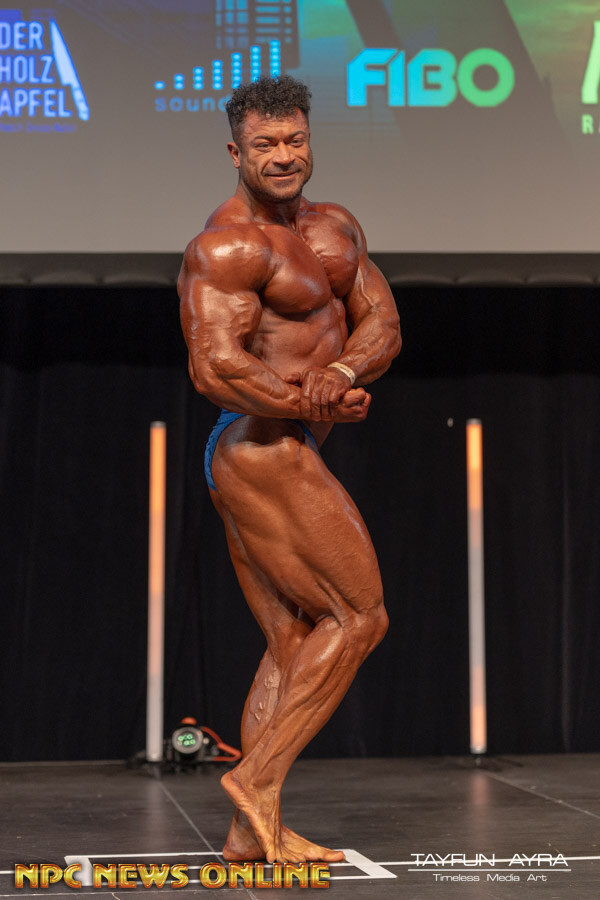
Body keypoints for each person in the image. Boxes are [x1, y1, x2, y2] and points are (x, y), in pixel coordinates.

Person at [178, 75, 401, 864]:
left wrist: (339, 375)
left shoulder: (336, 227)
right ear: (235, 152)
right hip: (259, 443)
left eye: (294, 140)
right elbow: (215, 366)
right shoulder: (227, 246)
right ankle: (257, 779)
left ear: (310, 141)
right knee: (360, 618)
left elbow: (382, 322)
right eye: (265, 144)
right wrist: (307, 401)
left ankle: (250, 833)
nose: (283, 156)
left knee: (293, 639)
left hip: (284, 439)